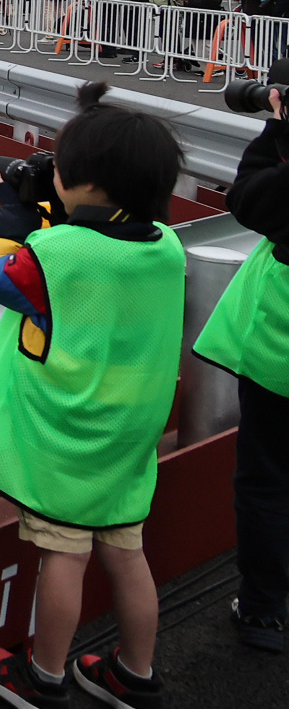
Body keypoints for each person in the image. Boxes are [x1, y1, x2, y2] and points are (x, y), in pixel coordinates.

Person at [0, 82, 185, 709]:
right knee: (124, 549)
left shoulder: (57, 254)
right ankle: (134, 673)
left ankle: (45, 676)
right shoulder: (166, 247)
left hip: (68, 434)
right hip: (129, 431)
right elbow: (99, 268)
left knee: (65, 552)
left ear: (89, 187)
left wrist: (11, 209)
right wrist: (54, 217)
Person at [191, 86, 289, 654]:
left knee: (268, 479)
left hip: (280, 350)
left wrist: (279, 129)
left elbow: (249, 200)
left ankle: (263, 611)